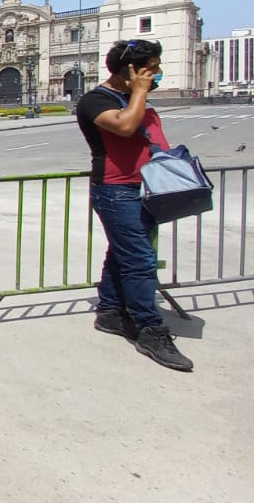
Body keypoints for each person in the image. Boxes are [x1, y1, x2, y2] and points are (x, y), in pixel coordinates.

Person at [76, 39, 193, 371]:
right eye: (150, 70)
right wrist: (140, 91)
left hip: (147, 188)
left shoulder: (134, 98)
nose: (156, 76)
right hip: (116, 190)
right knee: (141, 259)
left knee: (122, 252)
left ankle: (111, 312)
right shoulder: (94, 101)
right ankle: (150, 329)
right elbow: (126, 126)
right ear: (129, 71)